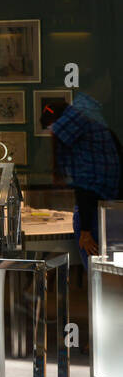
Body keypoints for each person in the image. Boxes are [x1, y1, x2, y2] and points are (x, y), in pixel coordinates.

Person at [43, 94, 123, 266]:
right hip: (112, 212)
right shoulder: (104, 134)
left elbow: (86, 184)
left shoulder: (83, 144)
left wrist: (85, 230)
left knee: (99, 277)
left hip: (95, 215)